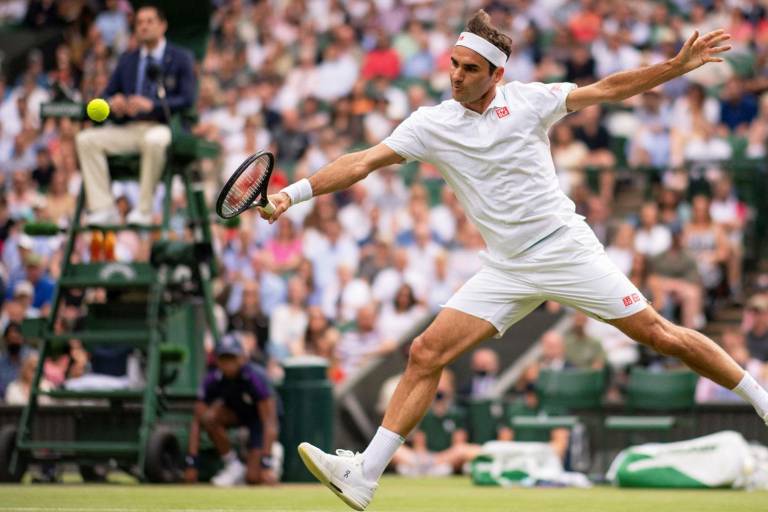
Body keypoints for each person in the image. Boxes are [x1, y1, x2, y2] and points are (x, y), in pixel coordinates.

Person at [262, 11, 760, 511]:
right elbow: (361, 161)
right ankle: (365, 474)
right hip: (506, 268)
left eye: (470, 69)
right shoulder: (431, 124)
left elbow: (608, 89)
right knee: (425, 352)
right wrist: (290, 195)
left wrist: (674, 67)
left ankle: (762, 402)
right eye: (454, 64)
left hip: (564, 249)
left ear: (497, 74)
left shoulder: (530, 100)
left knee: (660, 334)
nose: (457, 76)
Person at [75, 5, 196, 226]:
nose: (144, 26)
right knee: (86, 139)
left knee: (153, 140)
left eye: (149, 21)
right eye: (139, 22)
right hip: (130, 128)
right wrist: (115, 103)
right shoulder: (127, 60)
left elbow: (187, 100)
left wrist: (152, 105)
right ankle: (103, 209)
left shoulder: (181, 57)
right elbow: (107, 95)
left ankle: (144, 210)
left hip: (163, 126)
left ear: (163, 26)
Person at [186, 334, 279, 487]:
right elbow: (197, 418)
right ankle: (233, 465)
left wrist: (266, 463)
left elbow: (269, 421)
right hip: (237, 414)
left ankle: (273, 453)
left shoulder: (256, 377)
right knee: (208, 416)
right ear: (217, 360)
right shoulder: (212, 379)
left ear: (242, 358)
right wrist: (192, 462)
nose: (228, 363)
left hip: (260, 422)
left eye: (232, 358)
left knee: (253, 478)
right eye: (224, 358)